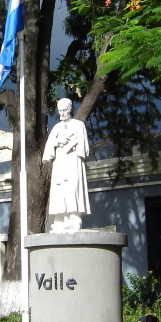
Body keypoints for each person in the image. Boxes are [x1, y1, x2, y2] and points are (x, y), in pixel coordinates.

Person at [42, 98, 91, 233]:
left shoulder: (79, 125)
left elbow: (84, 146)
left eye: (64, 110)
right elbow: (50, 144)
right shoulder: (57, 127)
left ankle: (74, 218)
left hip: (73, 161)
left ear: (70, 109)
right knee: (59, 190)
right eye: (60, 111)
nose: (62, 113)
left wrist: (73, 144)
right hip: (60, 162)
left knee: (73, 187)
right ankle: (60, 218)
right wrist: (58, 141)